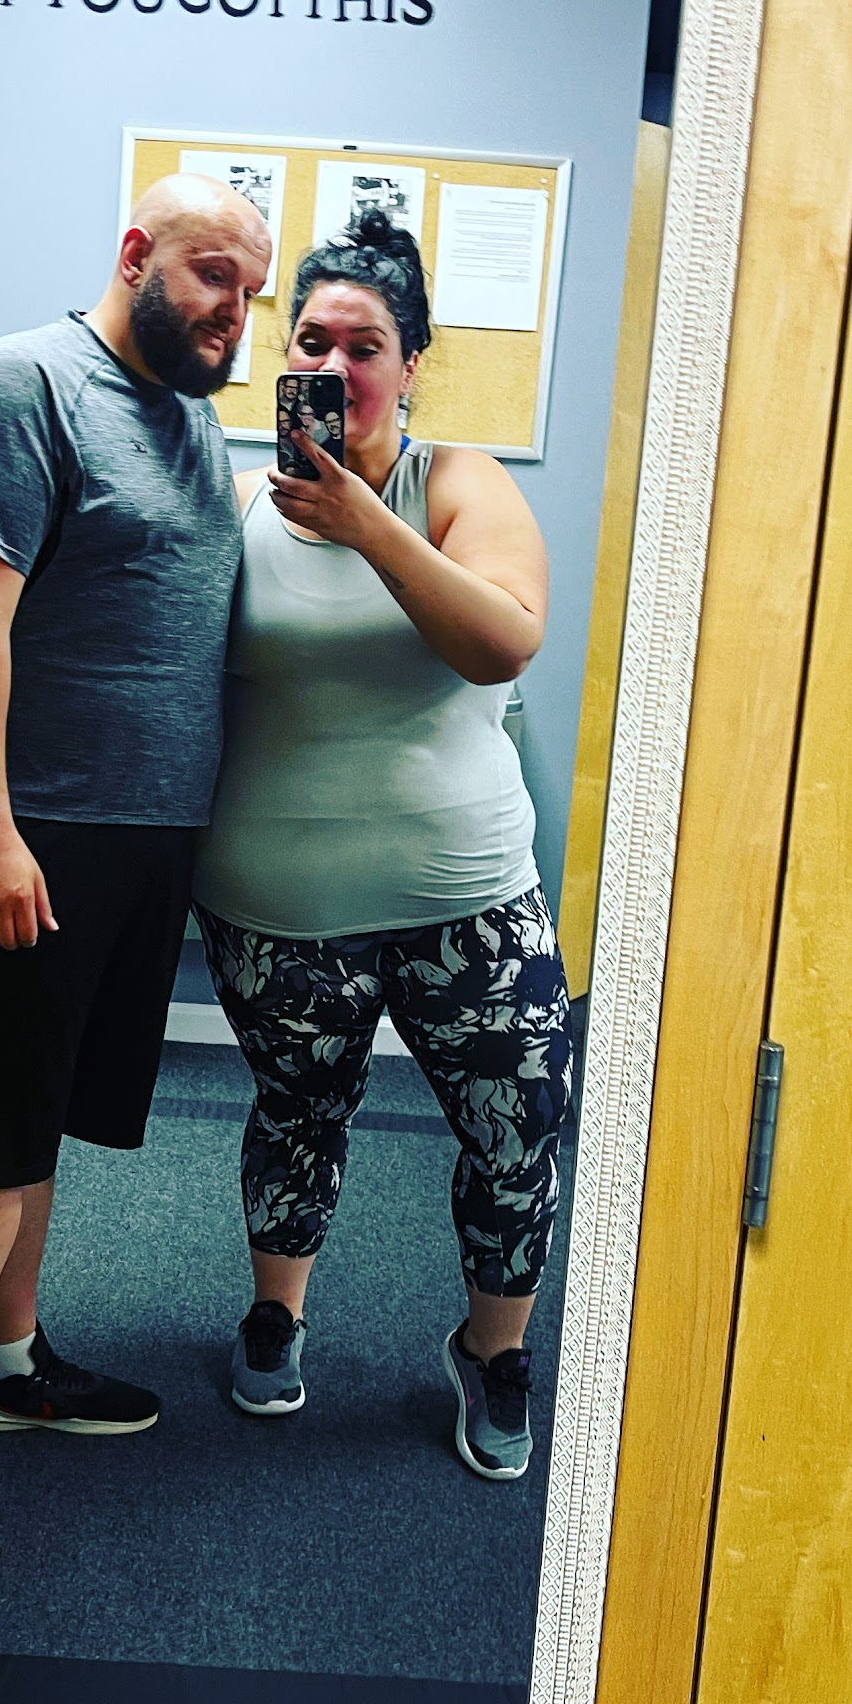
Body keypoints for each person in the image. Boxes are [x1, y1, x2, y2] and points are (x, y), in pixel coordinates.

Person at [0, 174, 272, 1633]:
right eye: (211, 276)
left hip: (144, 837)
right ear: (135, 255)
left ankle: (7, 1365)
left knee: (45, 1114)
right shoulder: (27, 383)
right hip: (44, 831)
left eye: (249, 291)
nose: (233, 312)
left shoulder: (188, 415)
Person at [193, 208, 573, 1483]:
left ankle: (492, 1349)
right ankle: (275, 1313)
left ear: (410, 365)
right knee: (297, 1113)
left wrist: (366, 523)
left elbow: (501, 641)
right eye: (311, 341)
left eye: (364, 346)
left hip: (469, 897)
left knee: (518, 1122)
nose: (334, 366)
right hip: (276, 901)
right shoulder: (238, 505)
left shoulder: (455, 483)